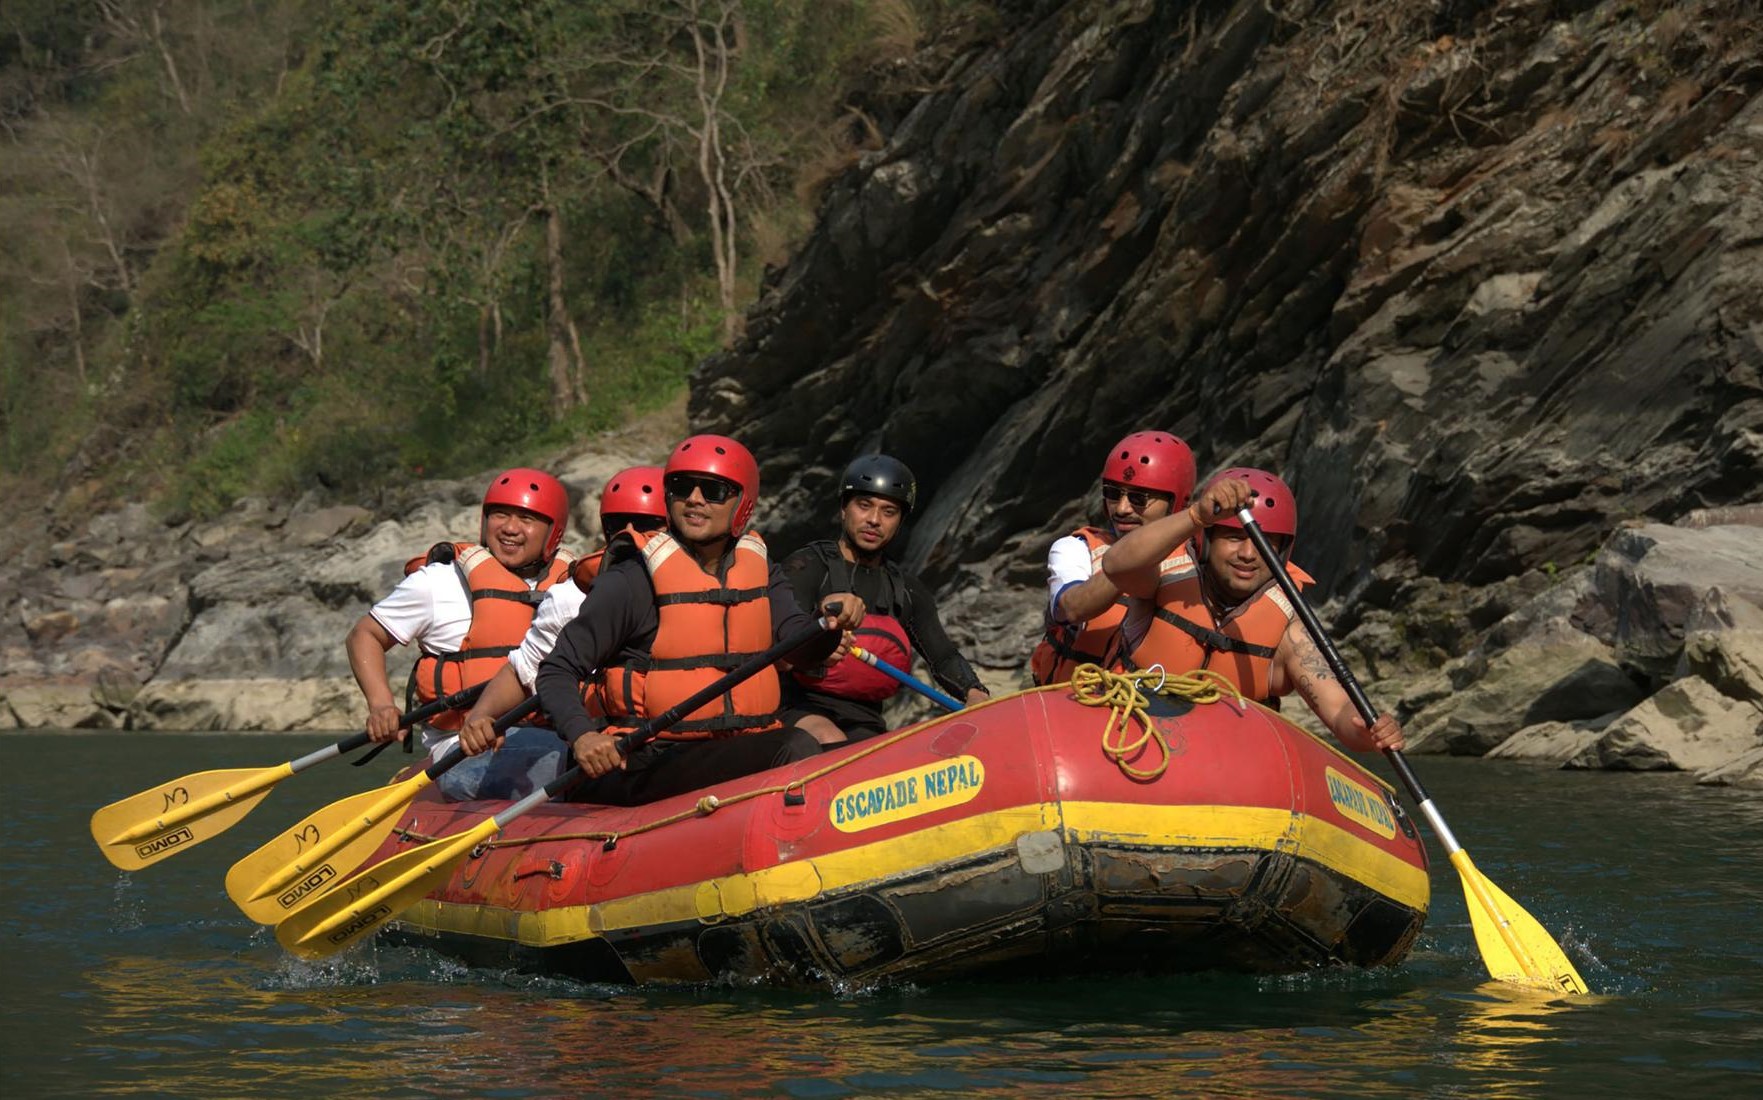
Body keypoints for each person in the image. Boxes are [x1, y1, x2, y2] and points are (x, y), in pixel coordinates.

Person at [535, 434, 867, 805]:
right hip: (643, 761)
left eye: (712, 490)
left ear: (742, 504)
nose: (694, 498)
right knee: (794, 746)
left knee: (850, 749)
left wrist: (829, 620)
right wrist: (583, 736)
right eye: (681, 487)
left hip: (728, 748)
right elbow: (556, 669)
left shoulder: (760, 571)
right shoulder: (631, 579)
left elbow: (801, 645)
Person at [1101, 467, 1406, 753]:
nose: (1247, 554)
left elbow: (1339, 709)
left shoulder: (1288, 629)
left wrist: (1370, 730)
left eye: (1264, 543)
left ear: (1282, 553)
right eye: (1234, 538)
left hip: (1224, 763)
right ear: (1207, 542)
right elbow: (1115, 564)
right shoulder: (1160, 579)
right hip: (1130, 735)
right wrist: (1197, 515)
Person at [344, 467, 578, 800]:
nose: (510, 528)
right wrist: (382, 705)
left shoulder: (572, 587)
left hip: (554, 735)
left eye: (527, 519)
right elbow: (364, 635)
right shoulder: (439, 582)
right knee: (566, 757)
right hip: (464, 753)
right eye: (500, 515)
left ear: (553, 532)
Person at [455, 465, 668, 766]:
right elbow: (525, 668)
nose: (631, 534)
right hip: (612, 748)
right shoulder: (572, 596)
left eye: (648, 523)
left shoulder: (720, 589)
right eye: (619, 524)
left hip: (688, 742)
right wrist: (482, 715)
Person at [780, 454, 991, 746]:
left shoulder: (906, 590)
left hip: (864, 717)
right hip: (798, 706)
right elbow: (774, 642)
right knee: (829, 738)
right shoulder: (806, 566)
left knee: (874, 752)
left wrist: (974, 692)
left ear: (900, 521)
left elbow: (942, 656)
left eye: (888, 511)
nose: (874, 520)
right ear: (844, 508)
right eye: (864, 506)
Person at [1030, 431, 1196, 685]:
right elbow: (1071, 608)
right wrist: (1130, 563)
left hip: (1158, 705)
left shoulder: (1198, 563)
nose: (1122, 508)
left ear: (1178, 504)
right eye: (1113, 493)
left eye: (1139, 498)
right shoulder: (1074, 549)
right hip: (1075, 700)